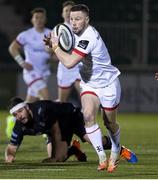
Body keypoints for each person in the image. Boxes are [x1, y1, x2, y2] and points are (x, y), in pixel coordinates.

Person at [46, 4, 123, 172]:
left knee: (110, 123)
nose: (73, 23)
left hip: (108, 84)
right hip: (89, 83)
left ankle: (116, 149)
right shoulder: (75, 33)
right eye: (71, 19)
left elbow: (68, 62)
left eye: (78, 19)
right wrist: (54, 46)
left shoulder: (88, 37)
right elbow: (65, 51)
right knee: (88, 115)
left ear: (87, 20)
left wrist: (55, 47)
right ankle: (102, 157)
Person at [5, 97, 138, 164]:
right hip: (56, 129)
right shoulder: (19, 125)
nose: (19, 116)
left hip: (72, 117)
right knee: (58, 159)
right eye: (15, 115)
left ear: (27, 107)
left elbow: (56, 132)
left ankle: (121, 150)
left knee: (95, 141)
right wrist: (9, 158)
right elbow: (11, 147)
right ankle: (75, 149)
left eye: (20, 111)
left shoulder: (41, 110)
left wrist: (55, 153)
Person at [8, 7, 52, 103]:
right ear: (32, 19)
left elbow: (54, 52)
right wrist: (22, 62)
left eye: (41, 17)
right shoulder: (25, 35)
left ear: (45, 19)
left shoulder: (51, 33)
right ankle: (48, 118)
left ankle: (16, 118)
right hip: (31, 72)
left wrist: (51, 51)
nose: (39, 20)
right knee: (45, 98)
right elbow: (12, 48)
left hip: (44, 72)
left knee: (30, 102)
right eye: (36, 17)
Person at [56, 1, 81, 103]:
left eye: (71, 10)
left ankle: (88, 119)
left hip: (79, 66)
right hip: (64, 67)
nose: (68, 13)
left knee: (86, 99)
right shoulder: (57, 29)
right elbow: (50, 49)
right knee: (62, 102)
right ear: (62, 13)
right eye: (66, 10)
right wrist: (49, 47)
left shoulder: (82, 28)